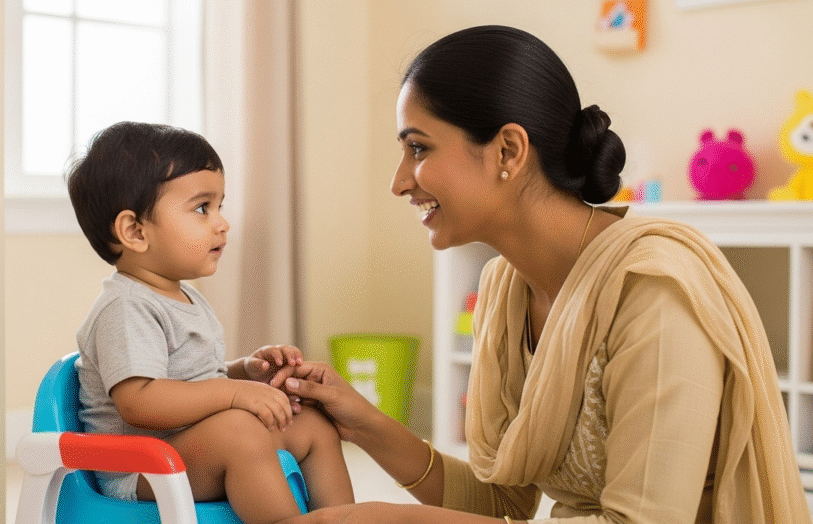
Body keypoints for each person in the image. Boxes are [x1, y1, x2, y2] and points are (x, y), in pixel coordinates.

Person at [274, 26, 812, 523]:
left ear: (508, 150)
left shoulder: (651, 293)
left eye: (418, 148)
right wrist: (364, 422)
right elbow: (501, 501)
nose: (398, 182)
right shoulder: (504, 292)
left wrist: (386, 519)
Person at [66, 121, 354, 524]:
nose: (222, 223)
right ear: (134, 231)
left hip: (189, 447)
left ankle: (342, 518)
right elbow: (140, 402)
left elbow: (195, 380)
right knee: (239, 430)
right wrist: (233, 393)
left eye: (220, 206)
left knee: (312, 424)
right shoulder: (126, 307)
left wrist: (245, 371)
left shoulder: (183, 296)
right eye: (203, 208)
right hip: (141, 468)